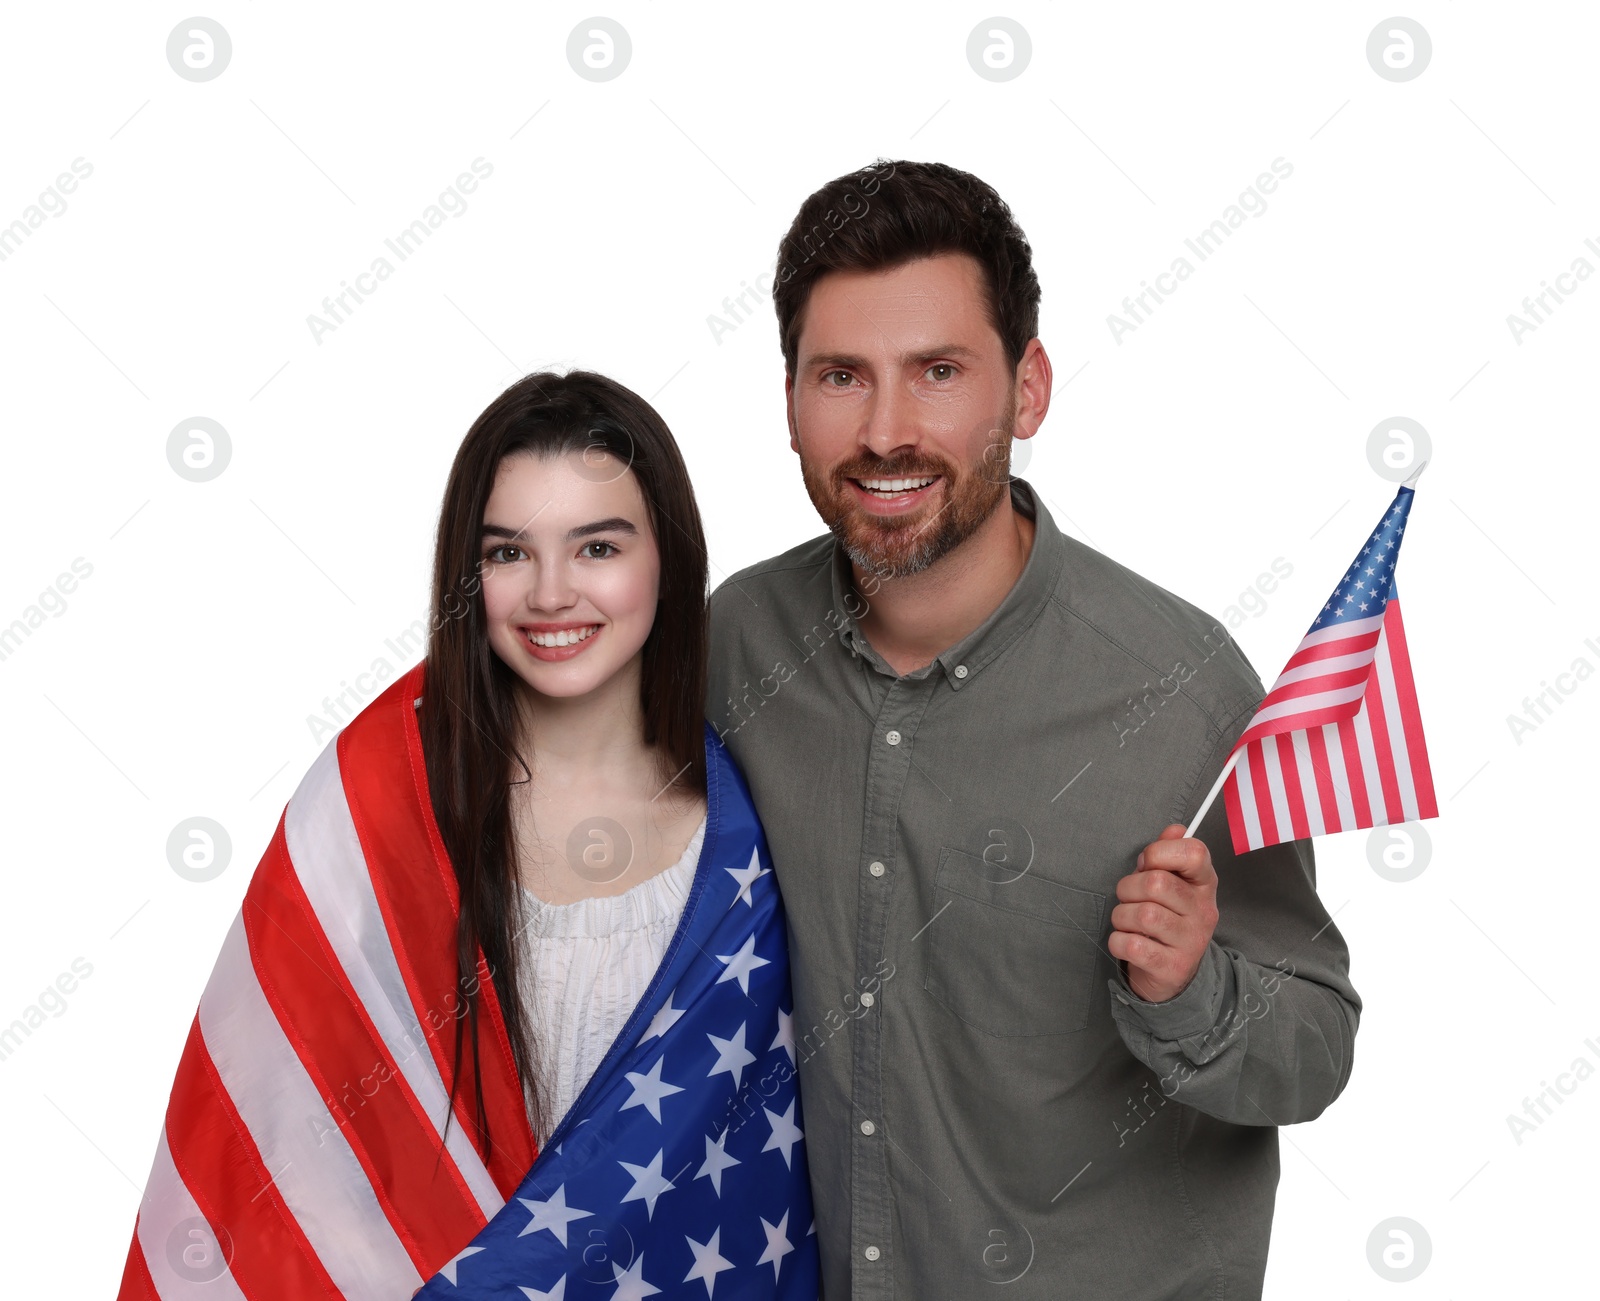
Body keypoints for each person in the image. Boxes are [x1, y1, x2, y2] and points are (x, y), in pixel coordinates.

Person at [706, 159, 1361, 1299]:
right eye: (841, 375)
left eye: (939, 371)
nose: (885, 429)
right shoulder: (737, 643)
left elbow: (1315, 1045)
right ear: (791, 400)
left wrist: (1190, 985)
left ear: (1027, 390)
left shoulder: (1177, 685)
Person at [117, 372, 820, 1299]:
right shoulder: (376, 808)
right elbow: (277, 1142)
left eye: (598, 545)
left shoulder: (755, 840)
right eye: (508, 553)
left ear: (668, 558)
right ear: (467, 573)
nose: (552, 593)